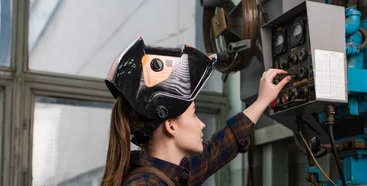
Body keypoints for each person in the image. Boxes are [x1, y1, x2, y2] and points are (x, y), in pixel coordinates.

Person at [101, 37, 291, 186]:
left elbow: (218, 148)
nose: (202, 124)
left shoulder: (174, 173)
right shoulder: (145, 184)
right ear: (170, 126)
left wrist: (262, 100)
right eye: (193, 114)